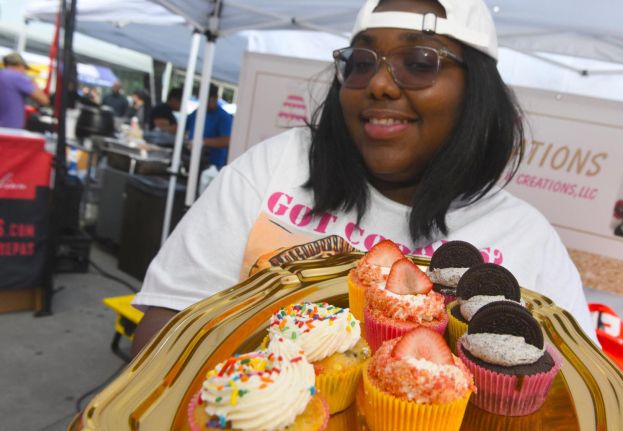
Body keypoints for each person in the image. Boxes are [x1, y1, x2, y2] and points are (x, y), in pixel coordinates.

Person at [131, 0, 597, 356]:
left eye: (419, 63)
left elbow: (580, 394)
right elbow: (168, 328)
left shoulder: (526, 238)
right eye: (361, 63)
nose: (378, 83)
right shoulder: (279, 165)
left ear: (475, 91)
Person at [184, 83, 233, 170]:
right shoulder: (197, 112)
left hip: (213, 165)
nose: (206, 103)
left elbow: (227, 141)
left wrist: (202, 142)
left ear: (215, 98)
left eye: (209, 100)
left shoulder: (223, 116)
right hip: (192, 159)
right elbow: (183, 128)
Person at [0, 52, 49, 129]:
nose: (24, 71)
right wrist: (32, 81)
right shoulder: (17, 77)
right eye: (25, 68)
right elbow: (44, 100)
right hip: (10, 129)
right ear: (20, 65)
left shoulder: (2, 74)